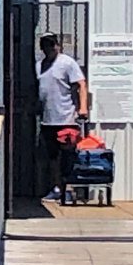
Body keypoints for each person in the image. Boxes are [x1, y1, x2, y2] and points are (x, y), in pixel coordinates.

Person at [36, 33, 91, 201]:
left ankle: (71, 189)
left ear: (57, 45)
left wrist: (83, 108)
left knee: (67, 156)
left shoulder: (67, 63)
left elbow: (81, 84)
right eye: (46, 44)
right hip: (47, 119)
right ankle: (57, 188)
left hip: (66, 118)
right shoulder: (40, 65)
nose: (50, 48)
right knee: (52, 157)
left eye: (52, 44)